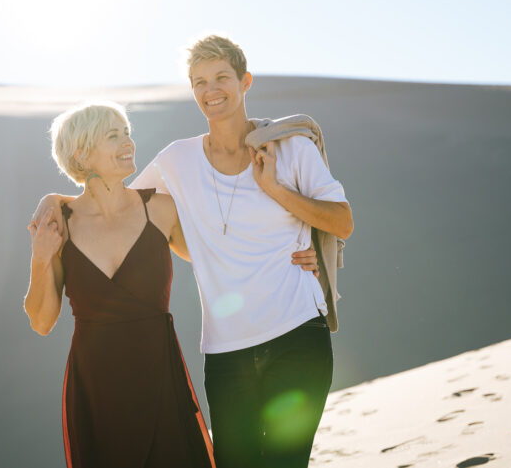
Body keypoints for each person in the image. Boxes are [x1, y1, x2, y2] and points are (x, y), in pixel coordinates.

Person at [32, 35, 353, 468]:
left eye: (222, 77)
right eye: (199, 81)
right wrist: (52, 204)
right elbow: (108, 196)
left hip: (294, 335)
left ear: (245, 82)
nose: (211, 90)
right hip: (220, 355)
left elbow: (340, 221)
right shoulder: (175, 162)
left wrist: (284, 202)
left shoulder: (286, 149)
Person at [23, 101, 215, 468]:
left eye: (127, 133)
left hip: (159, 375)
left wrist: (298, 249)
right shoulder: (59, 223)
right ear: (81, 152)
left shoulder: (160, 209)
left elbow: (216, 257)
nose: (128, 142)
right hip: (96, 388)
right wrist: (40, 257)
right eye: (113, 136)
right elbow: (42, 321)